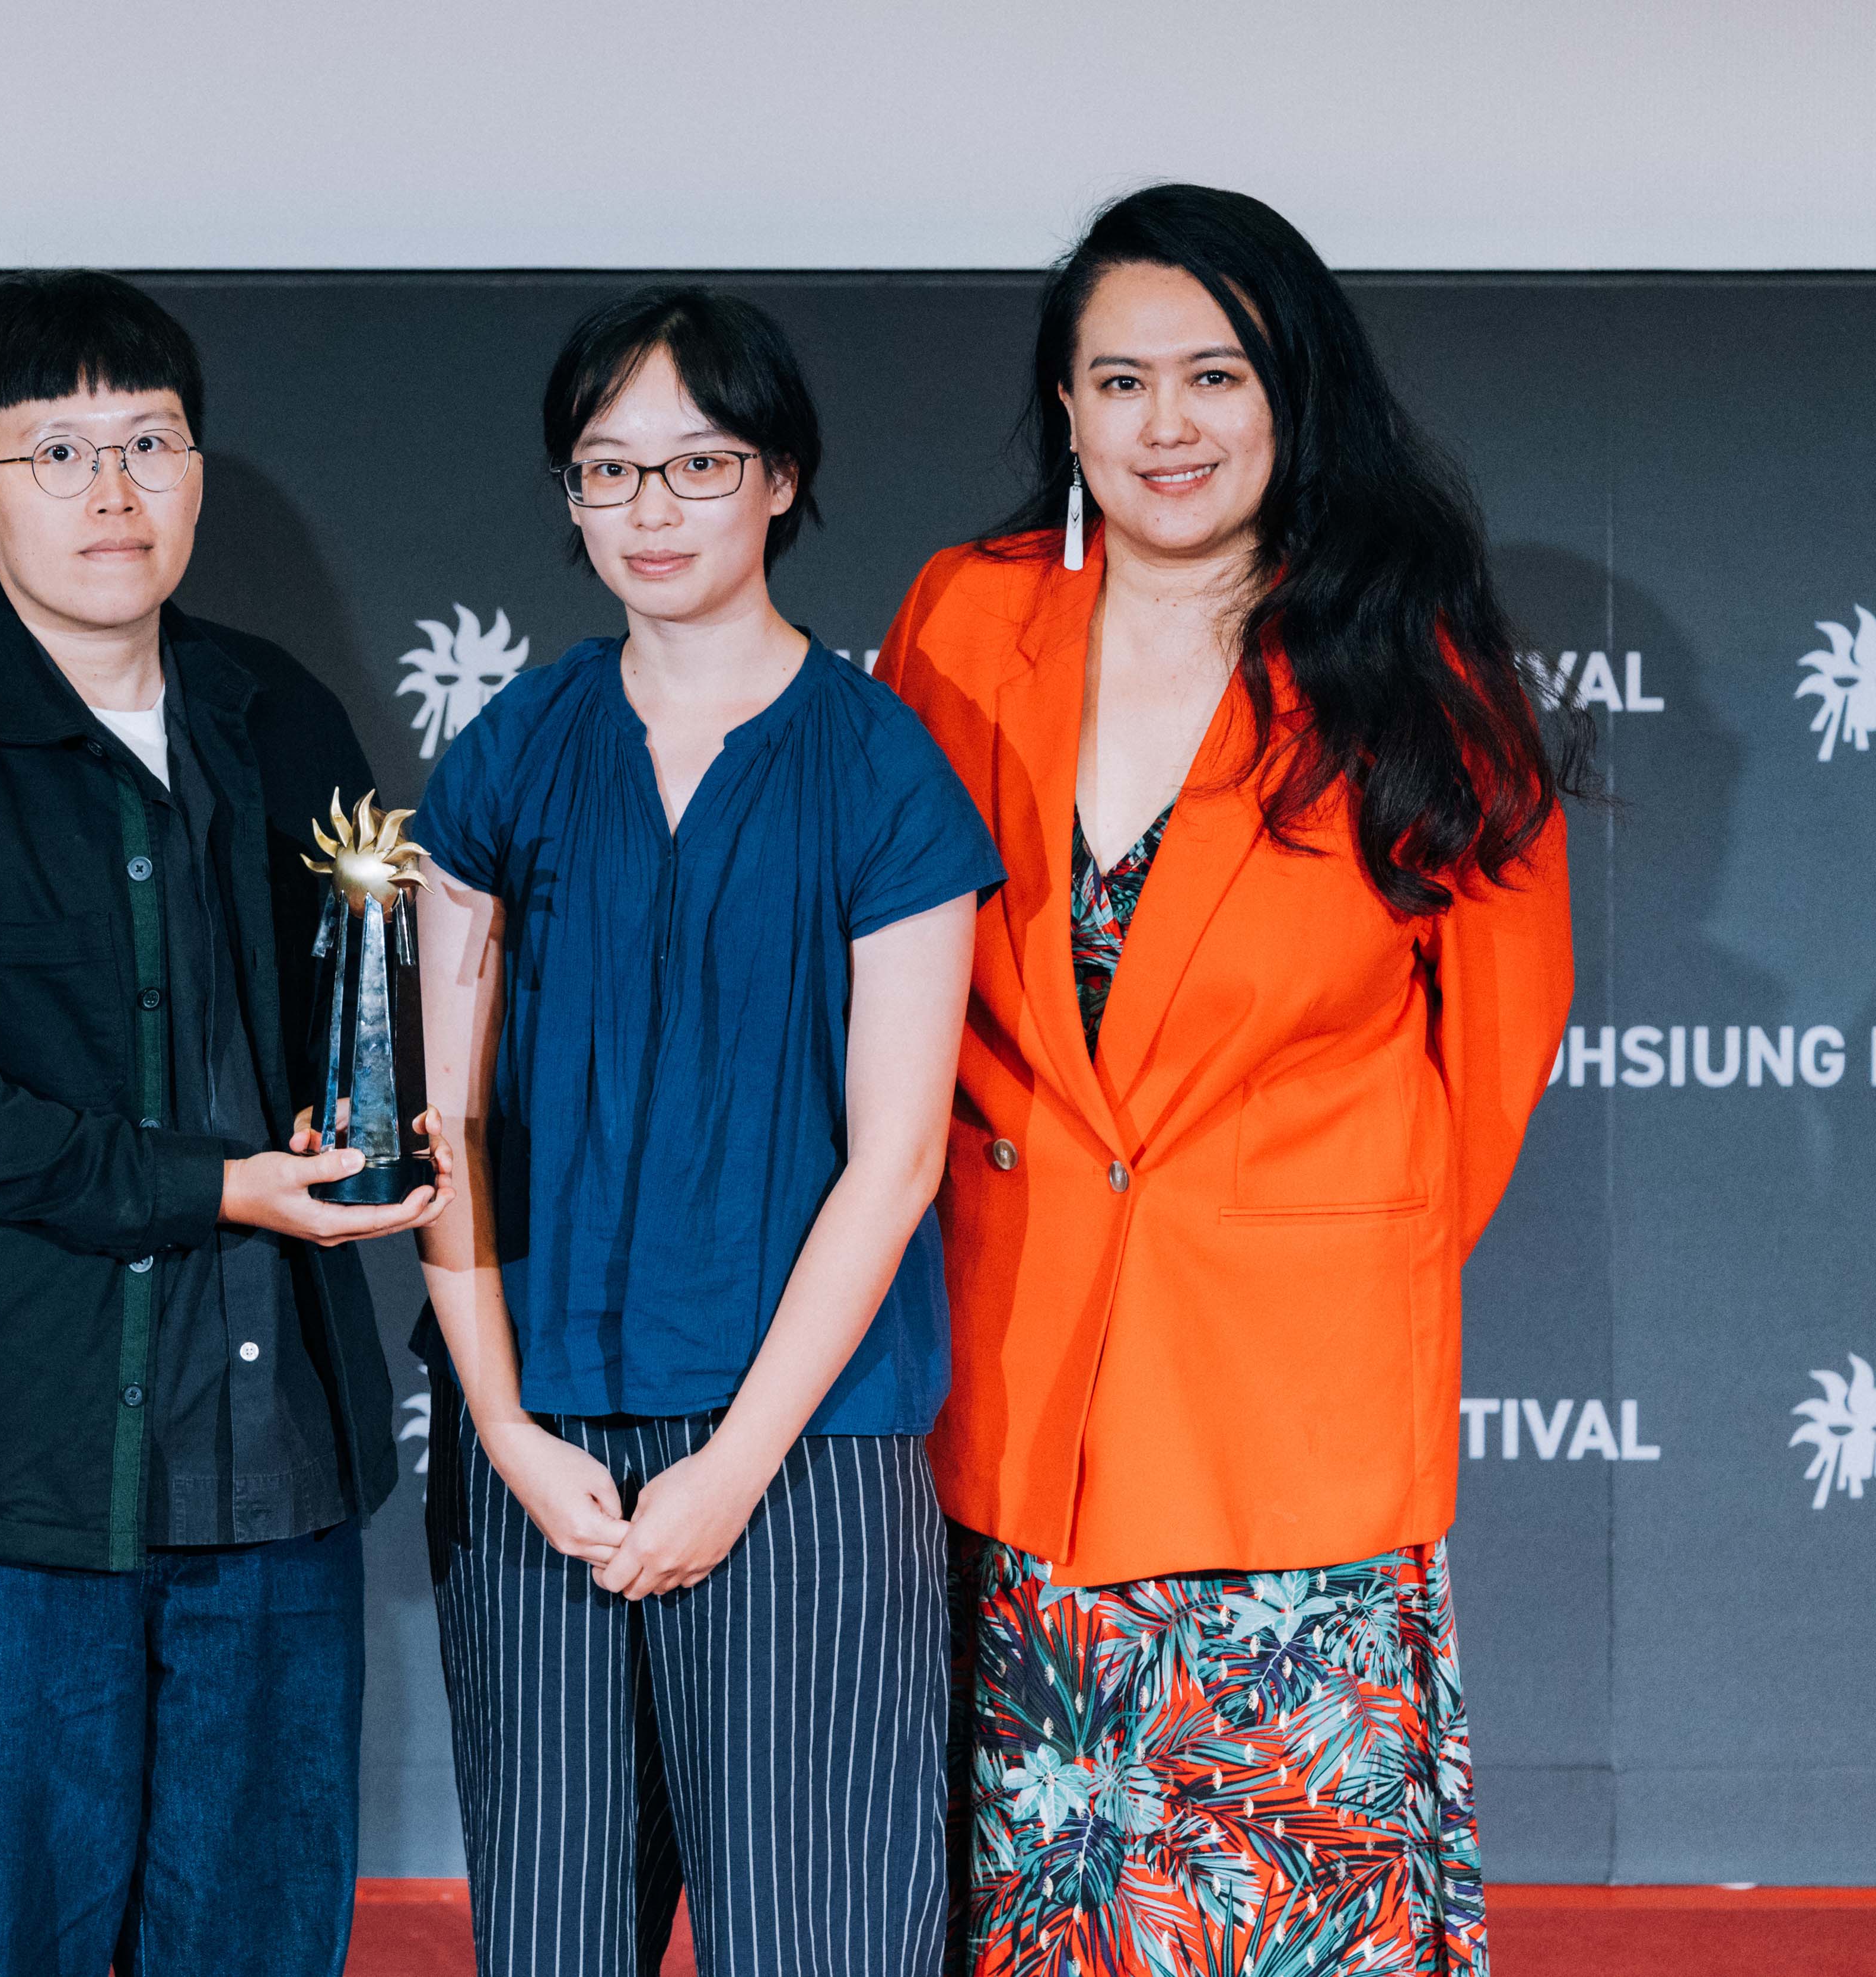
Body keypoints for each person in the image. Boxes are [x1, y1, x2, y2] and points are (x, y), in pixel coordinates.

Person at [877, 184, 1584, 1976]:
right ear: (1065, 409)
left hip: (1291, 1408)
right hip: (1018, 1378)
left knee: (1287, 1922)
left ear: (1292, 395)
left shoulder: (1409, 656)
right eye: (1120, 382)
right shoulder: (962, 619)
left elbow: (1497, 1045)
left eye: (1215, 376)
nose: (1165, 426)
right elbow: (889, 973)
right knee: (1040, 1919)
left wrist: (1314, 1253)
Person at [0, 270, 449, 1976]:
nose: (112, 491)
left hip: (270, 1486)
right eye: (60, 452)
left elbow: (352, 1015)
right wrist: (215, 1186)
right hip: (0, 1509)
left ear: (198, 474)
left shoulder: (279, 715)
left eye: (149, 444)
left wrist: (374, 1124)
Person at [408, 286, 1002, 1977]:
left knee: (824, 1938)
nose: (649, 510)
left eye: (698, 463)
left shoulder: (882, 766)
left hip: (807, 1453)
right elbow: (442, 1124)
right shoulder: (511, 752)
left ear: (781, 479)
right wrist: (501, 1425)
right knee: (554, 1941)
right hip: (543, 1454)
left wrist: (736, 1469)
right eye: (608, 470)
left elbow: (897, 1159)